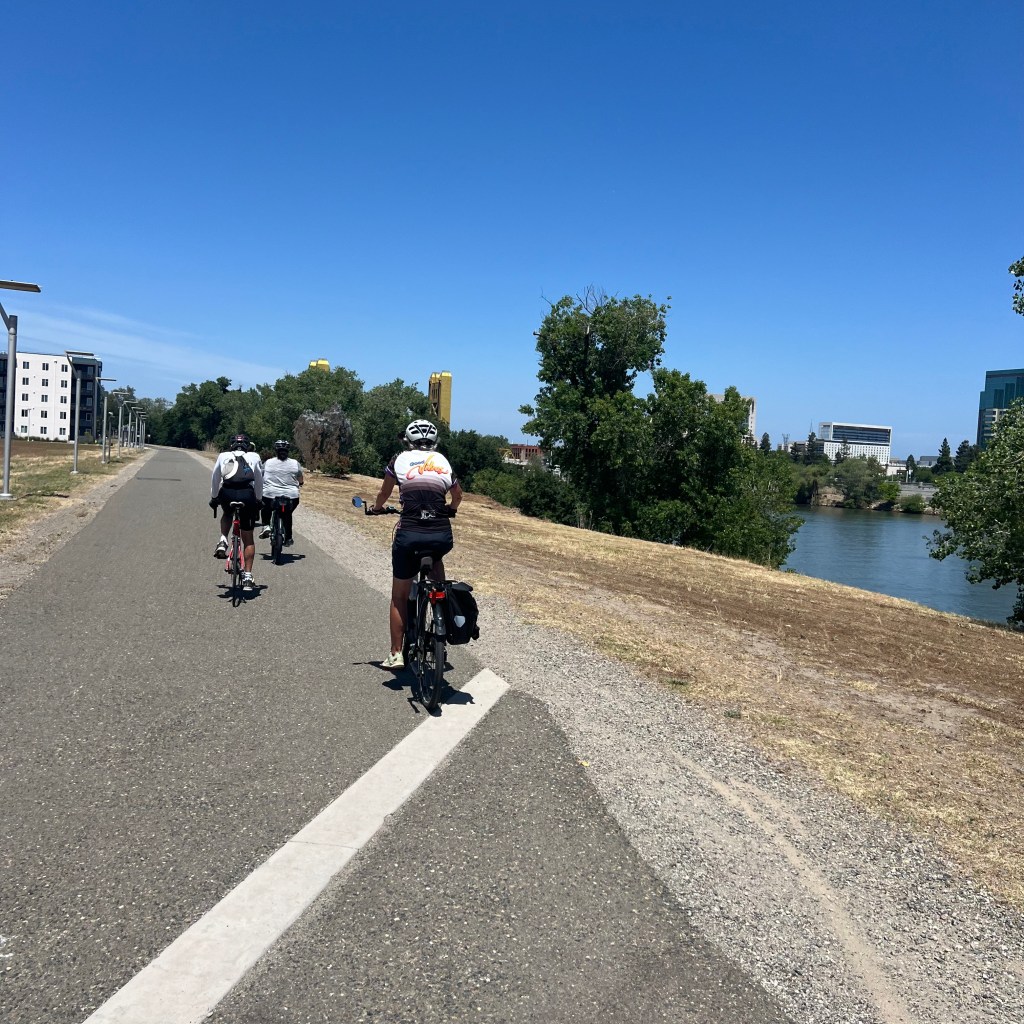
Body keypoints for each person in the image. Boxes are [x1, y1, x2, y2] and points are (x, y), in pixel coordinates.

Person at [370, 418, 462, 669]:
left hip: (409, 534)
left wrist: (376, 508)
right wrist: (451, 510)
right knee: (437, 565)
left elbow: (384, 493)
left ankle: (396, 653)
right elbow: (457, 495)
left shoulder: (398, 459)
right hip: (440, 534)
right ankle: (440, 606)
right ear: (434, 442)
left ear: (407, 441)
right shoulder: (442, 461)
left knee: (399, 597)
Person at [210, 433, 264, 592]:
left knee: (227, 513)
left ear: (231, 445)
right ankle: (247, 576)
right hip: (247, 495)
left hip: (227, 493)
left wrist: (214, 497)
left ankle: (223, 540)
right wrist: (259, 500)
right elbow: (259, 481)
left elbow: (215, 477)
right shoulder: (254, 456)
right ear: (248, 446)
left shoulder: (223, 455)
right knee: (248, 538)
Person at [259, 439, 305, 545]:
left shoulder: (268, 462)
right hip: (291, 496)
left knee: (265, 507)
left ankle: (265, 525)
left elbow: (261, 476)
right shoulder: (295, 463)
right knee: (287, 513)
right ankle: (288, 538)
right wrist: (301, 483)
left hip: (270, 494)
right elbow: (300, 478)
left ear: (276, 451)